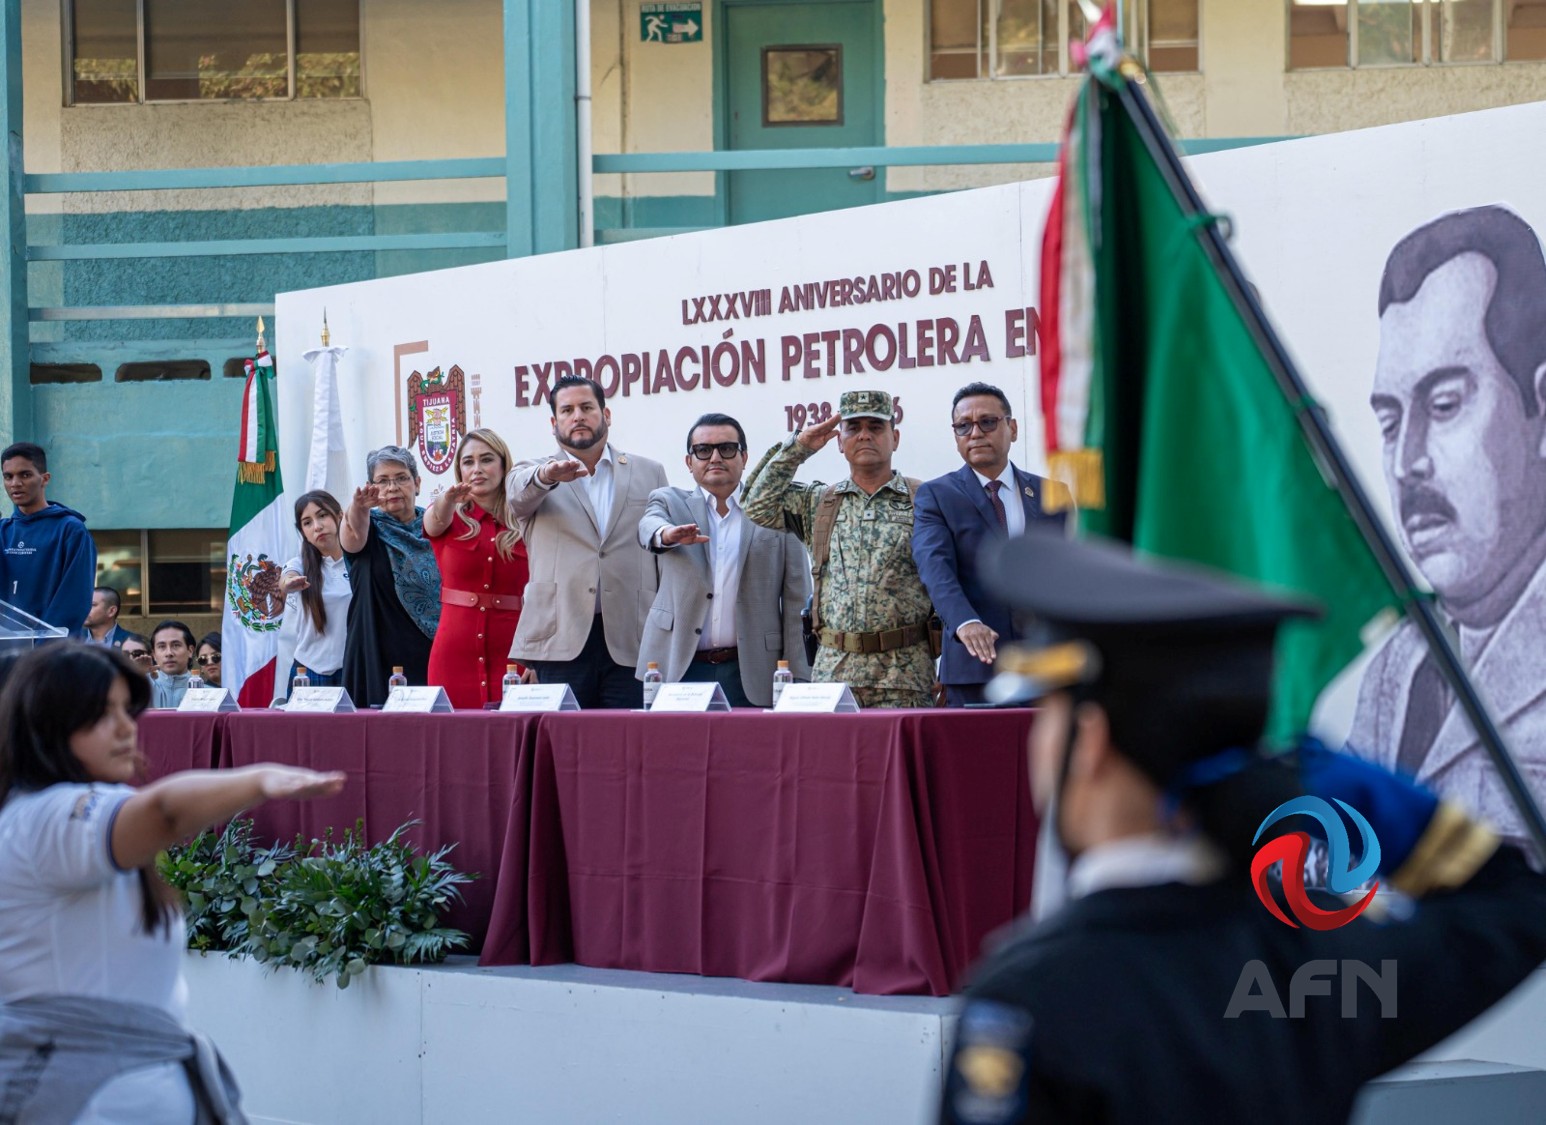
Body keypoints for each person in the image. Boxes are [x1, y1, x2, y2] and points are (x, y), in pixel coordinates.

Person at [939, 529, 1546, 1124]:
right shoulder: (1315, 966)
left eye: (1050, 714)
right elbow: (1518, 905)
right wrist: (1378, 806)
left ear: (1090, 741)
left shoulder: (1028, 998)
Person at [0, 643, 344, 1121]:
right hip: (80, 1092)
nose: (125, 728)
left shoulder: (52, 811)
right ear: (47, 724)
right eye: (101, 713)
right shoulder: (44, 817)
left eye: (126, 709)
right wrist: (258, 780)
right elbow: (163, 811)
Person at [1354, 204, 1546, 845]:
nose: (1408, 461)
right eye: (1388, 421)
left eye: (1443, 404)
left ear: (1539, 408)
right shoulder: (1397, 667)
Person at [742, 389, 934, 709]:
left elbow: (949, 581)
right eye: (853, 427)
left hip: (905, 677)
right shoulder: (820, 502)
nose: (864, 435)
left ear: (895, 437)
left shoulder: (924, 499)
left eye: (875, 426)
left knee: (901, 760)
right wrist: (798, 448)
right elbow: (755, 504)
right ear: (840, 441)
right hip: (834, 676)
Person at [506, 374, 668, 709]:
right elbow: (517, 497)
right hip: (560, 635)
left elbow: (661, 552)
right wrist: (548, 475)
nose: (577, 416)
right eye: (567, 410)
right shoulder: (534, 474)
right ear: (554, 423)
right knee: (564, 748)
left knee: (627, 747)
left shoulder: (648, 472)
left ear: (606, 415)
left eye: (586, 407)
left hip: (631, 637)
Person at [637, 413, 811, 708]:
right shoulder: (669, 501)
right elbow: (648, 526)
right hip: (678, 665)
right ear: (689, 462)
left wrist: (799, 676)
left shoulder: (776, 511)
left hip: (752, 669)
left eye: (727, 449)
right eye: (703, 451)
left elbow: (797, 600)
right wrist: (667, 535)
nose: (715, 457)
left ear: (744, 458)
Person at [913, 383, 1071, 706]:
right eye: (963, 426)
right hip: (975, 669)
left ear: (1012, 428)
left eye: (987, 422)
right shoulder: (936, 496)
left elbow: (1069, 576)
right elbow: (935, 568)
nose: (975, 433)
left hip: (1046, 666)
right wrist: (965, 622)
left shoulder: (1052, 495)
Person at [424, 429, 531, 708]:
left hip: (513, 651)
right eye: (468, 462)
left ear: (503, 465)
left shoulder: (526, 520)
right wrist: (447, 499)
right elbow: (432, 522)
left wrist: (536, 656)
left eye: (486, 460)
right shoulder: (446, 515)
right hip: (454, 652)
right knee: (453, 741)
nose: (477, 469)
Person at [339, 446, 440, 707]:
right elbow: (352, 539)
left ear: (417, 483)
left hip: (434, 652)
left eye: (401, 478)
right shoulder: (366, 525)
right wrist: (359, 507)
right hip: (379, 656)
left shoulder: (435, 525)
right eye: (383, 481)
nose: (392, 487)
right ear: (371, 487)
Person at [0, 442, 96, 633]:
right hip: (6, 651)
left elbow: (74, 599)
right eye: (8, 477)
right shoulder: (3, 531)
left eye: (25, 475)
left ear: (44, 479)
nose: (15, 483)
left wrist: (44, 646)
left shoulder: (70, 530)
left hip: (51, 654)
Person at [279, 490, 351, 694]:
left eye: (322, 515)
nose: (317, 526)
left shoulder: (358, 562)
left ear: (339, 515)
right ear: (302, 532)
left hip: (353, 668)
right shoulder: (300, 564)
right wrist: (289, 583)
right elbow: (286, 579)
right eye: (307, 522)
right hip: (309, 671)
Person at [148, 620, 198, 709]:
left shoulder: (208, 694)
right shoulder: (141, 690)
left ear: (190, 651)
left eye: (176, 645)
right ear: (154, 655)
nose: (169, 653)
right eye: (162, 646)